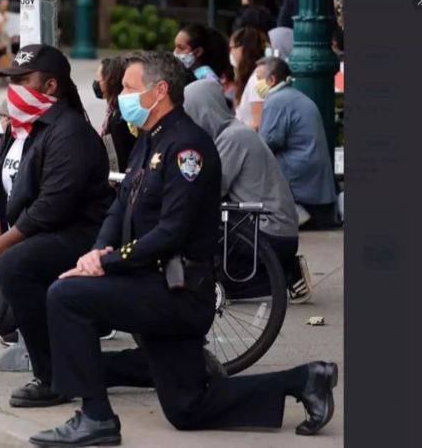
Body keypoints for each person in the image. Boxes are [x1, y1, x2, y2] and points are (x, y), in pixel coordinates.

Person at [33, 51, 337, 447]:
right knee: (188, 408)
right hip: (153, 284)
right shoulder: (150, 140)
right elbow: (122, 204)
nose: (120, 95)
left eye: (128, 88)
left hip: (177, 292)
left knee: (65, 297)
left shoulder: (188, 148)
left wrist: (108, 262)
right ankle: (307, 379)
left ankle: (96, 418)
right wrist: (96, 251)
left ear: (159, 91)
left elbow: (171, 233)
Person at [0, 44, 114, 408]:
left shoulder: (70, 132)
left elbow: (51, 208)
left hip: (78, 233)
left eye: (23, 80)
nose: (14, 88)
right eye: (11, 81)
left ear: (51, 86)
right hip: (38, 232)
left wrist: (0, 249)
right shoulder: (19, 129)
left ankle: (53, 377)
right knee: (9, 265)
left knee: (15, 268)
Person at [184, 79, 310, 298]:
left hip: (269, 231)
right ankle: (285, 271)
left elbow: (211, 189)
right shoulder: (234, 132)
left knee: (211, 272)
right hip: (276, 229)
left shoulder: (232, 138)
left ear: (202, 111)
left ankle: (284, 277)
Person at [258, 57, 338, 229]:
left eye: (258, 79)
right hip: (312, 175)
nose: (255, 85)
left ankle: (291, 210)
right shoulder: (294, 96)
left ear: (271, 80)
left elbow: (267, 143)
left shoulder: (276, 101)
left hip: (298, 175)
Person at [92, 55, 135, 173]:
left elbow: (115, 158)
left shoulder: (118, 119)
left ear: (111, 81)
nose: (96, 83)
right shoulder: (113, 111)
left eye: (99, 79)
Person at [229, 27, 267, 130]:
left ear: (242, 48)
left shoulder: (256, 80)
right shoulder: (249, 78)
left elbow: (258, 123)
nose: (231, 53)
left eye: (232, 48)